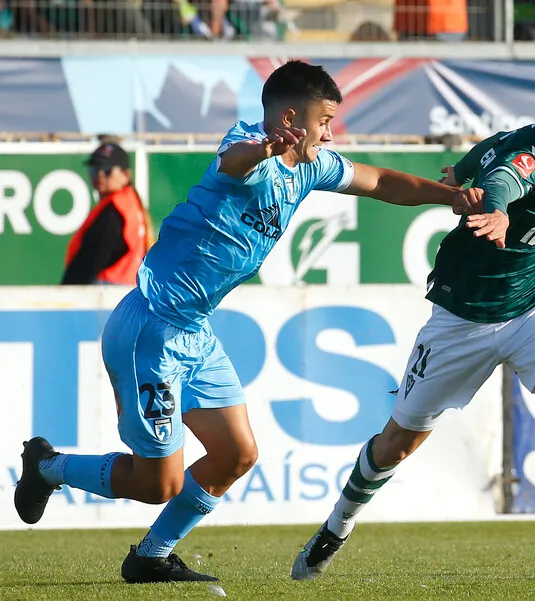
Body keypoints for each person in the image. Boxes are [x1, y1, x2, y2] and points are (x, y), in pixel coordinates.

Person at [14, 60, 476, 584]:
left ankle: (151, 556)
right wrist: (265, 149)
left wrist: (449, 197)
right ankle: (47, 466)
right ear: (290, 116)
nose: (330, 132)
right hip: (152, 329)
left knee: (236, 453)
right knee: (158, 483)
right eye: (324, 120)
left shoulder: (313, 164)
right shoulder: (248, 145)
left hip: (195, 332)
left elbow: (380, 181)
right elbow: (234, 163)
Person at [291, 86, 535, 581]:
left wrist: (461, 173)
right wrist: (497, 206)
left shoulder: (530, 139)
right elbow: (507, 174)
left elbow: (490, 152)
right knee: (397, 442)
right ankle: (336, 526)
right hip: (462, 320)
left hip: (534, 307)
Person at [61, 143, 153, 286]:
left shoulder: (115, 210)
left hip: (107, 292)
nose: (100, 175)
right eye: (94, 170)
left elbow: (91, 259)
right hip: (129, 290)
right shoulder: (131, 203)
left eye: (107, 170)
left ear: (126, 175)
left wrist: (67, 290)